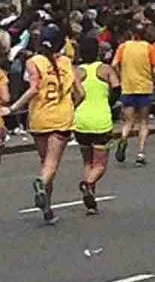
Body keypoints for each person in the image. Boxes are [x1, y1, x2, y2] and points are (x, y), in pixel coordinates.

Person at [0, 25, 84, 224]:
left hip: (38, 117)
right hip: (61, 117)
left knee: (44, 162)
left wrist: (13, 108)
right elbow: (81, 93)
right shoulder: (66, 62)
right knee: (51, 164)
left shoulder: (33, 62)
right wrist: (73, 106)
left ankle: (48, 208)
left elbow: (34, 88)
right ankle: (41, 184)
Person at [73, 37, 120, 215]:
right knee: (100, 164)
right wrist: (108, 103)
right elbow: (117, 88)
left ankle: (91, 201)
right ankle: (87, 185)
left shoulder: (76, 72)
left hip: (81, 120)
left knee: (87, 161)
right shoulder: (105, 69)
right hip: (101, 120)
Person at [112, 24, 155, 165]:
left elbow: (114, 63)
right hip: (144, 88)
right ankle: (140, 152)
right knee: (144, 121)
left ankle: (123, 138)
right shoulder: (149, 48)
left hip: (128, 87)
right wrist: (154, 79)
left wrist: (121, 75)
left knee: (128, 120)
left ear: (132, 34)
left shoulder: (123, 47)